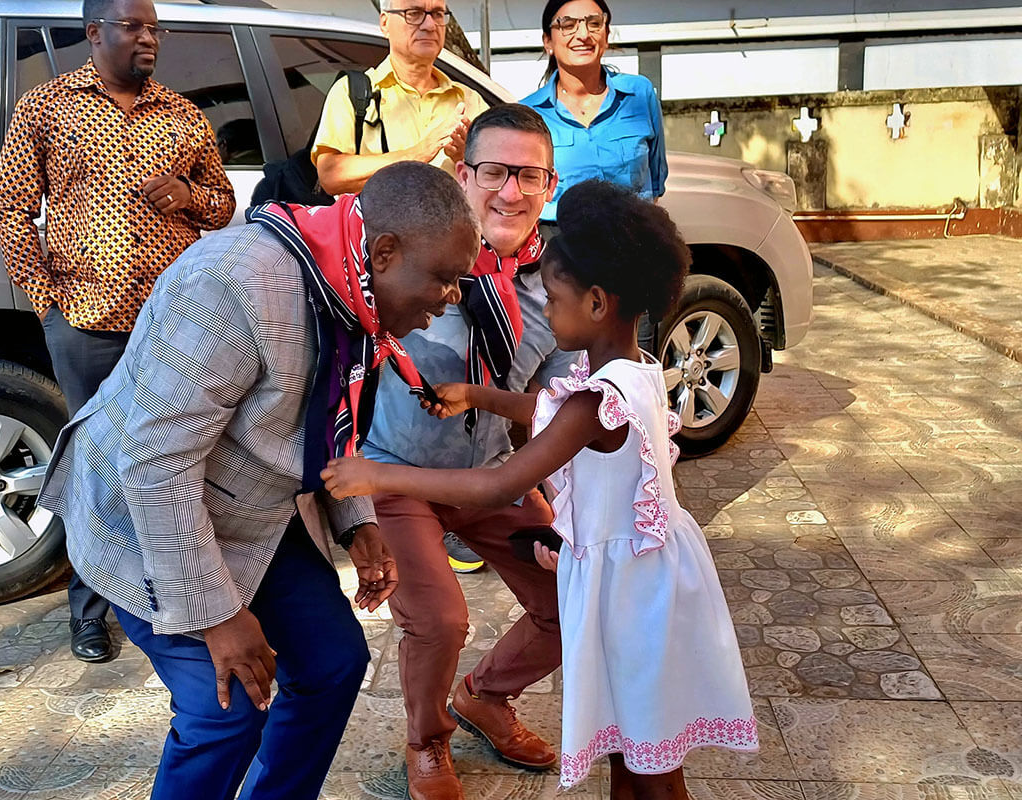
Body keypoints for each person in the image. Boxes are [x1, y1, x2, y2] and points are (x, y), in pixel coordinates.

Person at [38, 161, 481, 800]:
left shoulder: (348, 280)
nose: (448, 300)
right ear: (384, 252)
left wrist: (356, 523)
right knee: (225, 715)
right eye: (443, 279)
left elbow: (328, 410)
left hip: (248, 510)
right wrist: (217, 614)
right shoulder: (233, 283)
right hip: (140, 517)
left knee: (333, 664)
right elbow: (156, 463)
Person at [322, 180, 758, 799]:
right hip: (642, 575)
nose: (546, 313)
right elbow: (543, 408)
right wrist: (475, 395)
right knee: (632, 743)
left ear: (598, 303)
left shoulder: (594, 399)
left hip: (629, 592)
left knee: (651, 762)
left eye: (554, 300)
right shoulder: (632, 373)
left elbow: (500, 480)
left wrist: (378, 475)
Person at [0, 0, 235, 663]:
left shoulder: (182, 115)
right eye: (134, 27)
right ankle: (91, 612)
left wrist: (190, 199)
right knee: (95, 467)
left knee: (178, 458)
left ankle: (184, 599)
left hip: (174, 325)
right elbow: (12, 207)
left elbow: (222, 206)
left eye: (154, 27)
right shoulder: (46, 107)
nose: (148, 38)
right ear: (95, 33)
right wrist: (46, 299)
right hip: (87, 319)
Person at [359, 104, 573, 800]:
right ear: (463, 174)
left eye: (528, 175)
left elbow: (545, 401)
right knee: (442, 617)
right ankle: (427, 740)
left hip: (490, 476)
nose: (510, 191)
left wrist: (545, 495)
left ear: (550, 183)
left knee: (575, 592)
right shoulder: (407, 258)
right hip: (399, 475)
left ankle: (485, 696)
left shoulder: (555, 286)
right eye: (493, 172)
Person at [311, 0, 489, 195]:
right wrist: (417, 153)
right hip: (375, 225)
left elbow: (498, 183)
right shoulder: (352, 92)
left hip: (454, 224)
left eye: (437, 14)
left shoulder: (470, 99)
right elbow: (330, 176)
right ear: (385, 23)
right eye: (414, 14)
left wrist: (465, 158)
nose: (430, 25)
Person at [521, 0, 667, 223]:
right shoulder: (529, 114)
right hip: (560, 242)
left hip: (634, 237)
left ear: (606, 36)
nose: (583, 34)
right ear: (547, 41)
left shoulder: (639, 94)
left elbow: (656, 179)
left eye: (594, 23)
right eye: (567, 25)